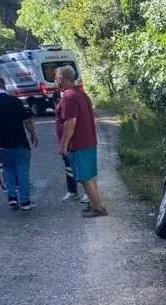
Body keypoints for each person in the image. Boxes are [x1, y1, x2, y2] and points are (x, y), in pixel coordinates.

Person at [55, 66, 107, 218]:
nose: (56, 81)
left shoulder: (69, 97)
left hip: (78, 144)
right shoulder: (81, 94)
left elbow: (70, 123)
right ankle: (94, 204)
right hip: (88, 141)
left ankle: (99, 208)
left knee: (84, 177)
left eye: (56, 78)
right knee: (90, 176)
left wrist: (63, 145)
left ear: (60, 80)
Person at [0, 77, 38, 210]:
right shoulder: (15, 101)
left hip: (0, 142)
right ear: (4, 85)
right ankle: (25, 201)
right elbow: (27, 120)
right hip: (19, 141)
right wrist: (33, 134)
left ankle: (12, 198)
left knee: (8, 169)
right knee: (22, 170)